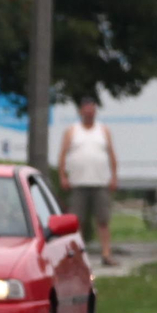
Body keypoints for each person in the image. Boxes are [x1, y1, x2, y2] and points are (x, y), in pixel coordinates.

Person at [58, 96, 119, 265]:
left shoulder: (103, 130)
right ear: (80, 111)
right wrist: (63, 176)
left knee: (103, 220)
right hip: (78, 183)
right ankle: (77, 255)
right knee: (77, 222)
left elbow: (111, 154)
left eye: (91, 109)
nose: (89, 113)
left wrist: (114, 176)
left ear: (95, 111)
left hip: (100, 183)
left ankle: (106, 254)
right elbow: (63, 154)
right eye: (85, 109)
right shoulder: (72, 131)